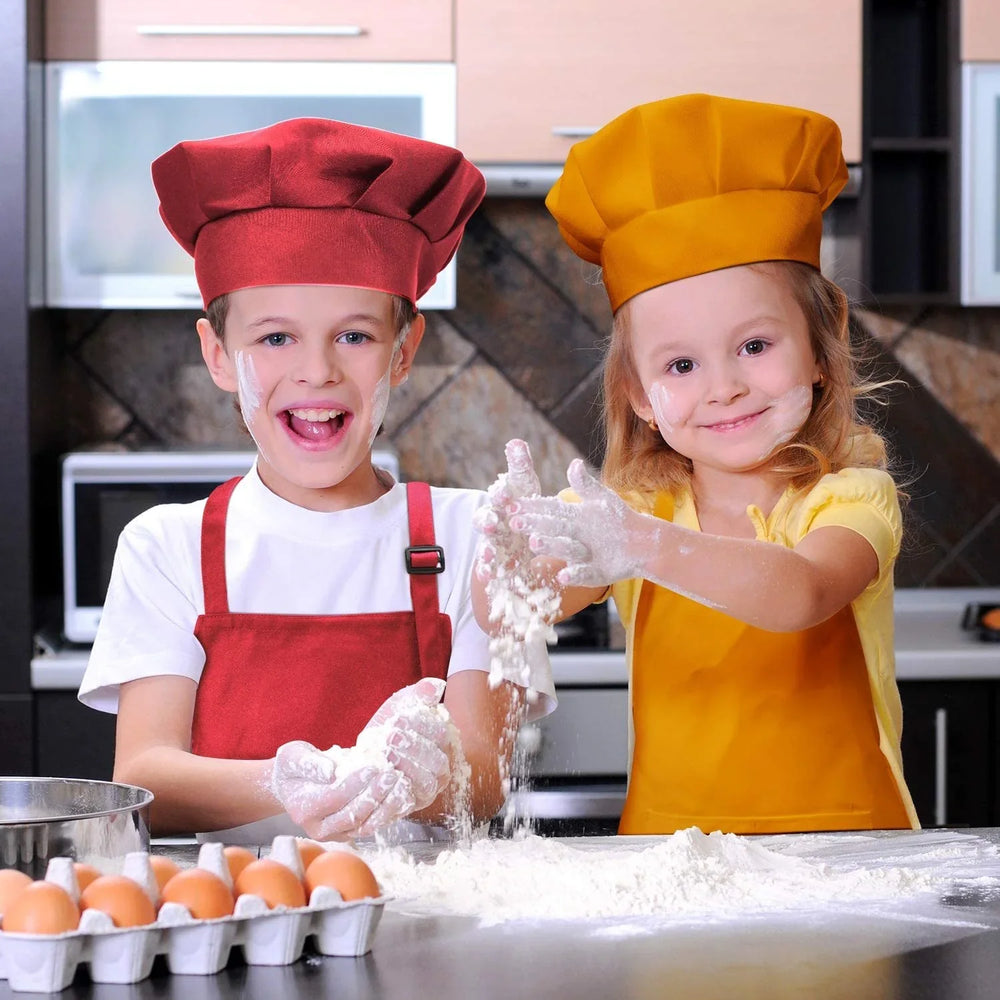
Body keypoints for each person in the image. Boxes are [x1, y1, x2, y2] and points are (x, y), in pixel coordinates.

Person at [78, 116, 554, 844]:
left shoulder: (471, 536)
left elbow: (483, 780)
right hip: (239, 926)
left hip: (429, 931)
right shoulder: (168, 548)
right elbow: (148, 781)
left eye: (355, 336)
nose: (317, 370)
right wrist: (310, 779)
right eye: (274, 338)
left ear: (402, 353)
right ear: (216, 355)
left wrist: (417, 778)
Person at [475, 93, 918, 836]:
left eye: (754, 346)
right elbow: (516, 613)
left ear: (821, 341)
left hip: (850, 857)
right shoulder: (632, 511)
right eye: (680, 364)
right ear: (639, 396)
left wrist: (644, 549)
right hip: (668, 859)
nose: (724, 388)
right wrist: (511, 565)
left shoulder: (850, 499)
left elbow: (801, 593)